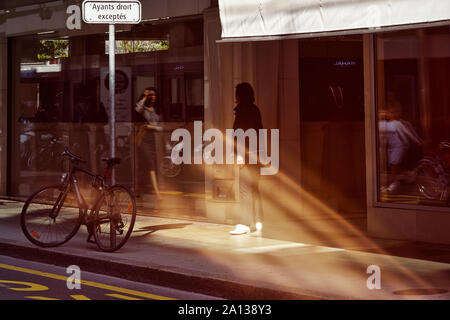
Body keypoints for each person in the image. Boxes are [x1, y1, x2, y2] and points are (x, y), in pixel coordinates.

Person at [229, 82, 264, 236]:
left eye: (236, 93)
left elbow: (241, 134)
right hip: (256, 155)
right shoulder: (255, 110)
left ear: (239, 95)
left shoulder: (243, 111)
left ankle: (245, 223)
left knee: (245, 190)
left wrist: (240, 155)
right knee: (254, 188)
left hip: (247, 156)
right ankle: (257, 221)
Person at [378, 105, 422, 193]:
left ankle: (393, 185)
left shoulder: (397, 123)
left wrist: (418, 142)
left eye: (389, 113)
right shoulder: (385, 124)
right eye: (387, 112)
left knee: (394, 166)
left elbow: (408, 134)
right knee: (394, 166)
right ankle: (409, 175)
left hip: (399, 147)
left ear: (394, 114)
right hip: (391, 148)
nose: (387, 114)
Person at [135, 87, 163, 199]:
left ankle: (139, 189)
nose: (153, 97)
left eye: (154, 95)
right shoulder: (145, 109)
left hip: (155, 138)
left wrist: (152, 126)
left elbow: (161, 127)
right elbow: (137, 109)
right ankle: (157, 192)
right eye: (150, 95)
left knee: (146, 165)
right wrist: (144, 96)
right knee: (151, 163)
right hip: (145, 139)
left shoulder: (158, 110)